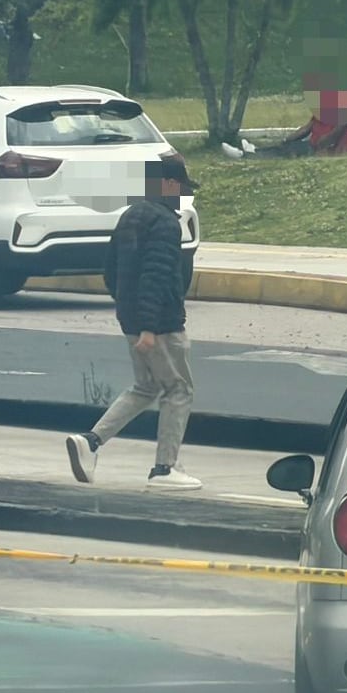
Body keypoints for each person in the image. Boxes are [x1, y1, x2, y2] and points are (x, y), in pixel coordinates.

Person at [65, 157, 202, 491]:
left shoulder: (131, 216)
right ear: (168, 185)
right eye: (183, 188)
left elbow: (111, 271)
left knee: (146, 386)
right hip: (161, 324)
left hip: (132, 318)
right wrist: (150, 327)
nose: (186, 196)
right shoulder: (166, 224)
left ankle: (91, 441)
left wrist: (129, 313)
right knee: (178, 389)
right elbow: (157, 276)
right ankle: (165, 469)